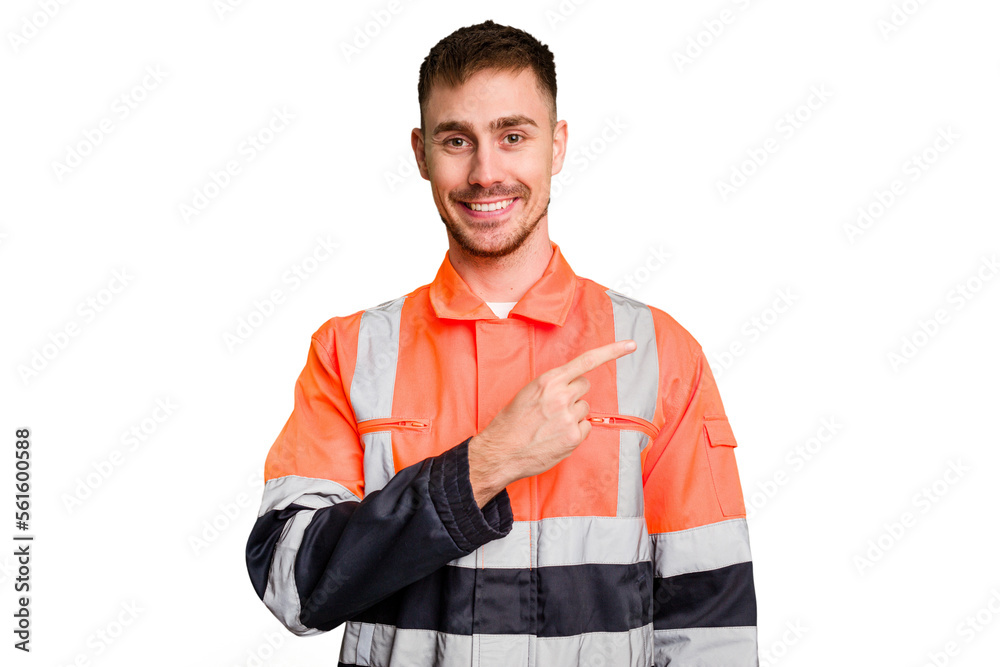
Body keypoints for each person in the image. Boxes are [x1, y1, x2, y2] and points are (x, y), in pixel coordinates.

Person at [245, 19, 758, 667]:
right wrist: (485, 463)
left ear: (558, 145)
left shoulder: (659, 352)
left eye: (513, 136)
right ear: (420, 152)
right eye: (457, 139)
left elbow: (713, 625)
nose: (486, 172)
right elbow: (290, 585)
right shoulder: (350, 352)